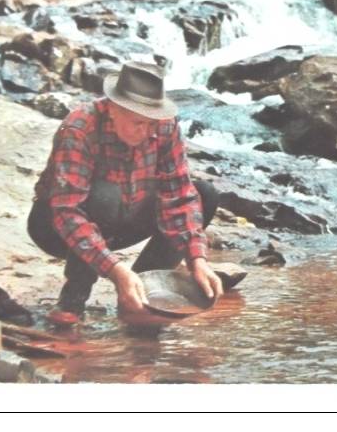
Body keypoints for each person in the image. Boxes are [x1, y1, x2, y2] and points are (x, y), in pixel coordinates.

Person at [27, 60, 223, 325]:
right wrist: (116, 270)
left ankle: (144, 293)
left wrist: (196, 258)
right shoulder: (79, 128)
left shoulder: (163, 125)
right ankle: (73, 300)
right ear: (113, 108)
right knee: (106, 195)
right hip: (56, 227)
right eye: (138, 124)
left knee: (204, 195)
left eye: (152, 124)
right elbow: (67, 213)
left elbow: (179, 195)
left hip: (124, 217)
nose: (146, 132)